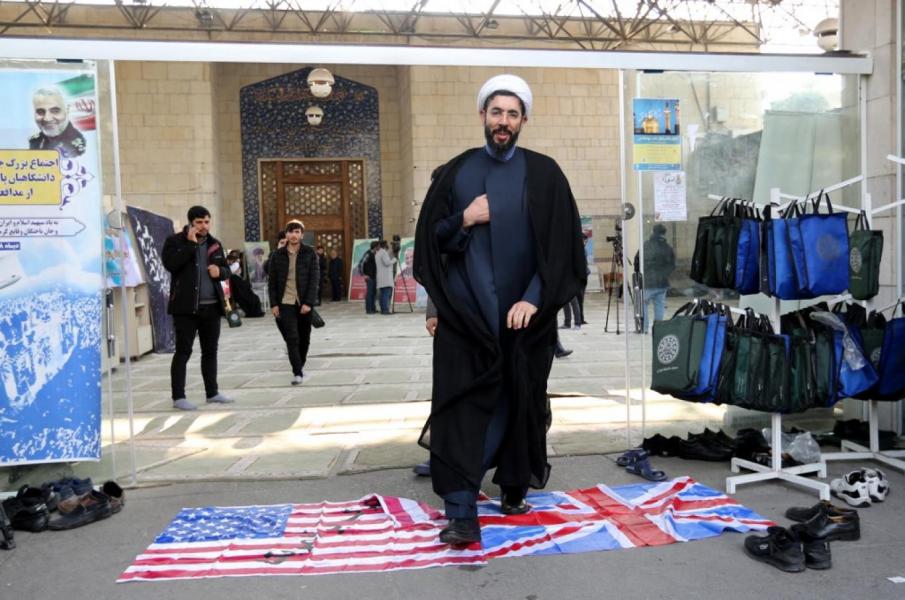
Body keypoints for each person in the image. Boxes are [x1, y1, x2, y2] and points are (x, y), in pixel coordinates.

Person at [413, 74, 586, 545]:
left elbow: (562, 248)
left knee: (521, 401)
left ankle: (513, 487)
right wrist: (466, 218)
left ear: (524, 119)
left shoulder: (546, 174)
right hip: (465, 320)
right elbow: (430, 241)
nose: (503, 121)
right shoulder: (456, 172)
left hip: (524, 321)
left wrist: (534, 297)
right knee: (461, 409)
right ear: (483, 116)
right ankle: (461, 512)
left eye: (512, 113)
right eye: (496, 113)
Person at [162, 205, 235, 411]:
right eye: (199, 222)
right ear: (191, 223)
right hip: (185, 308)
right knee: (183, 352)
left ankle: (212, 393)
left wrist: (220, 271)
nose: (204, 226)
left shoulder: (215, 244)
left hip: (212, 307)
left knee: (210, 351)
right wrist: (191, 245)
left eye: (207, 222)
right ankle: (178, 396)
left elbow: (227, 271)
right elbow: (171, 265)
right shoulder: (174, 241)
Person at [267, 219, 319, 386]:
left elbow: (314, 279)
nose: (294, 235)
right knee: (292, 338)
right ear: (286, 234)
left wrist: (308, 302)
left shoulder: (310, 253)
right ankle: (297, 372)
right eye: (291, 232)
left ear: (302, 235)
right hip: (285, 302)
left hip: (303, 302)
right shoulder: (277, 255)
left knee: (304, 338)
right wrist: (274, 304)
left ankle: (300, 365)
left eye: (297, 232)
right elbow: (272, 282)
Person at [635, 223, 676, 333]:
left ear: (653, 232)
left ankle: (644, 328)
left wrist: (639, 274)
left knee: (643, 304)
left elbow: (637, 260)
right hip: (662, 283)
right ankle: (658, 329)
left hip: (648, 282)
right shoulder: (668, 248)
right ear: (664, 233)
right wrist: (665, 275)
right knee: (659, 305)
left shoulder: (646, 245)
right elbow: (672, 265)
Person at [29, 87, 86, 158]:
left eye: (55, 111)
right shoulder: (34, 141)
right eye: (40, 111)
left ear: (67, 110)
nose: (47, 118)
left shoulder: (78, 146)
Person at [226, 250, 264, 318]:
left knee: (255, 298)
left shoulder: (236, 275)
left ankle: (255, 312)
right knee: (253, 299)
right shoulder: (234, 275)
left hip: (243, 291)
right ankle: (254, 313)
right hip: (240, 293)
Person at [375, 240, 397, 314]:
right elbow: (387, 263)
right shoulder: (384, 252)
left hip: (381, 276)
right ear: (385, 245)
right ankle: (385, 310)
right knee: (386, 294)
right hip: (385, 277)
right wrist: (394, 259)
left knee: (382, 294)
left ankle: (383, 309)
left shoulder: (378, 253)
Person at [360, 241, 379, 314]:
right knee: (370, 293)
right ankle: (368, 309)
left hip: (374, 276)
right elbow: (361, 264)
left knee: (374, 293)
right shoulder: (368, 254)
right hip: (369, 277)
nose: (379, 248)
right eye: (378, 246)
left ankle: (373, 308)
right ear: (375, 247)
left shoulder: (374, 254)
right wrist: (363, 274)